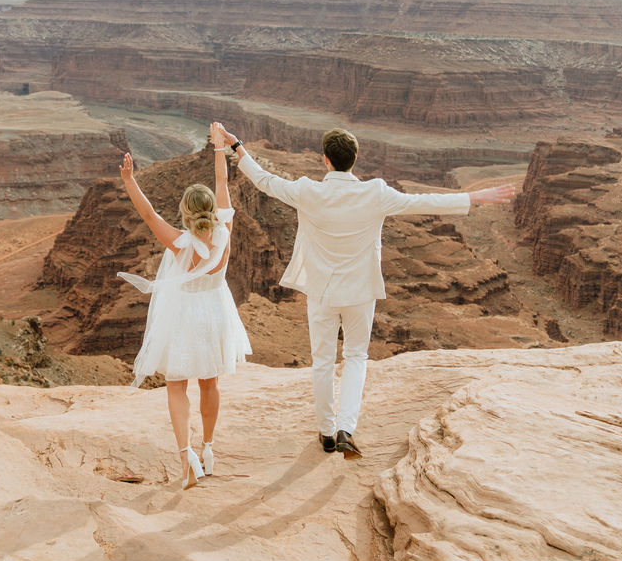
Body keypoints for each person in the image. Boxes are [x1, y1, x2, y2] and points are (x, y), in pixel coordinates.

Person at [215, 124, 514, 460]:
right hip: (360, 292)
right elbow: (423, 201)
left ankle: (326, 432)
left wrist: (237, 145)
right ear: (354, 160)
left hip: (322, 293)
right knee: (356, 358)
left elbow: (265, 180)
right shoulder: (376, 193)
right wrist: (474, 197)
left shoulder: (307, 191)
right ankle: (346, 428)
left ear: (324, 160)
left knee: (323, 362)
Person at [116, 124, 252, 490]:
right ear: (211, 210)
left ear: (186, 214)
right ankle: (208, 448)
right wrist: (220, 146)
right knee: (210, 383)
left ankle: (186, 456)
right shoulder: (225, 231)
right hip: (217, 311)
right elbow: (222, 184)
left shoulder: (181, 243)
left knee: (176, 386)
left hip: (186, 315)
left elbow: (148, 217)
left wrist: (130, 180)